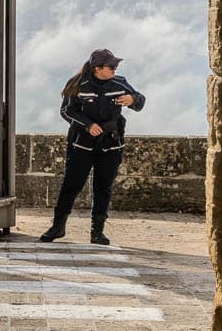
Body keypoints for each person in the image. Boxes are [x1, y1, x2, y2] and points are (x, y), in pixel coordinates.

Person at [40, 48, 146, 245]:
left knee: (103, 188)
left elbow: (140, 102)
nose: (115, 69)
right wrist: (87, 125)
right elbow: (66, 111)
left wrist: (133, 99)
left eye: (116, 65)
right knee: (71, 186)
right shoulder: (79, 85)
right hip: (82, 145)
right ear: (98, 68)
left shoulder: (119, 83)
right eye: (111, 66)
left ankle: (97, 232)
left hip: (111, 145)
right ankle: (57, 226)